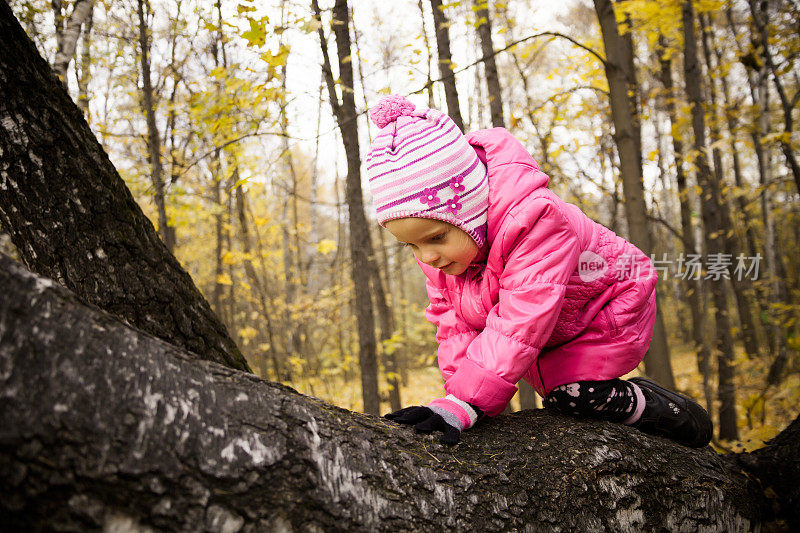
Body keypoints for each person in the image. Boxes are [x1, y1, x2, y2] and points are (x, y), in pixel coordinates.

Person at [366, 95, 712, 448]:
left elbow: (523, 315)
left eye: (436, 237)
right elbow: (453, 327)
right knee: (561, 399)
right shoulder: (444, 257)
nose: (427, 256)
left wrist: (469, 401)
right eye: (411, 245)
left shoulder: (534, 220)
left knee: (576, 397)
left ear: (469, 210)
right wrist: (457, 400)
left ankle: (654, 409)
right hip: (553, 329)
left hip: (607, 305)